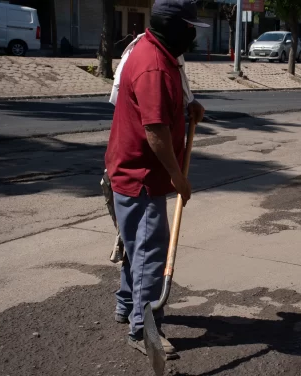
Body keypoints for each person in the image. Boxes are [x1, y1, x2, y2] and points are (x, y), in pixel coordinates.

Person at [104, 0, 209, 358]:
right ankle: (142, 330)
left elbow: (161, 109)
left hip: (130, 169)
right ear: (175, 26)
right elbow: (155, 130)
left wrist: (187, 107)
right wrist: (178, 177)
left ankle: (125, 306)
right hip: (141, 176)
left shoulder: (154, 50)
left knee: (136, 244)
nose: (194, 36)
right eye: (191, 29)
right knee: (150, 252)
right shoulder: (154, 66)